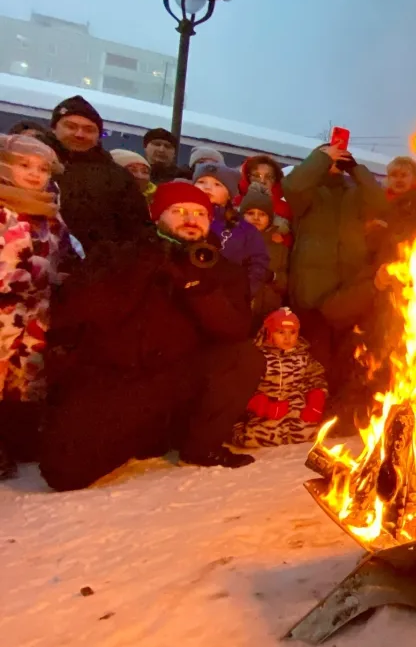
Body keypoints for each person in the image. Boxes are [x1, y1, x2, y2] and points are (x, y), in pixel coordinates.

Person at [39, 182, 262, 491]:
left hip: (179, 377)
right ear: (157, 215)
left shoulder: (222, 270)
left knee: (244, 356)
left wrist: (198, 286)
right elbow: (81, 310)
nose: (190, 219)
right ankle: (144, 434)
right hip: (119, 377)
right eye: (179, 211)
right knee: (64, 473)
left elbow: (234, 330)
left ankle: (199, 446)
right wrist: (144, 266)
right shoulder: (119, 253)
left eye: (200, 213)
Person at [282, 143, 387, 405]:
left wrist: (356, 169)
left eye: (339, 156)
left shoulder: (355, 195)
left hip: (349, 293)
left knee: (347, 362)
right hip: (312, 294)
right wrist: (321, 157)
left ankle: (339, 417)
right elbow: (292, 186)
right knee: (315, 363)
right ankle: (311, 415)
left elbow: (380, 201)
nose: (334, 160)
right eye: (329, 155)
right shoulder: (309, 195)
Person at [0, 134, 71, 479]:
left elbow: (66, 255)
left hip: (38, 311)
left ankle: (19, 437)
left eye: (42, 168)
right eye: (23, 165)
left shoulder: (51, 216)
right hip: (3, 308)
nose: (33, 174)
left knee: (27, 376)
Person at [46, 95, 153, 256]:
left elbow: (138, 230)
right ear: (54, 128)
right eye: (71, 126)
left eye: (89, 130)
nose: (80, 134)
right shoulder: (34, 164)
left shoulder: (116, 176)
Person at [234, 308, 327, 448]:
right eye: (281, 332)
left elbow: (315, 377)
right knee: (254, 438)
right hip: (266, 410)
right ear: (269, 333)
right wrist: (261, 405)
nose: (287, 338)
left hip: (296, 408)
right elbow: (242, 386)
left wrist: (316, 400)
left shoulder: (302, 355)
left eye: (293, 332)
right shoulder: (258, 356)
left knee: (310, 433)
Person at [193, 163, 271, 298]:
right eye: (201, 182)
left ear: (229, 194)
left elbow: (258, 264)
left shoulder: (245, 230)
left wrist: (241, 295)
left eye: (217, 184)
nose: (207, 187)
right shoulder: (176, 216)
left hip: (223, 299)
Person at [240, 184, 289, 318]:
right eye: (250, 213)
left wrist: (272, 276)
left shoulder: (279, 247)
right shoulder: (231, 241)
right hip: (236, 309)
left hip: (267, 312)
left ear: (270, 219)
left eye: (262, 214)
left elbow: (285, 283)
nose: (256, 218)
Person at [236, 154, 293, 241]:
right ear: (247, 177)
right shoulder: (235, 201)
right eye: (256, 175)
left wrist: (284, 240)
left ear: (276, 180)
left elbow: (293, 238)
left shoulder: (285, 209)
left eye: (269, 177)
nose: (262, 181)